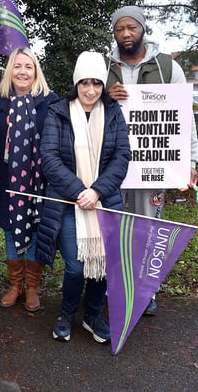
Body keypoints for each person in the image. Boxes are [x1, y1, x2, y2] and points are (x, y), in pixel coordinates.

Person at [106, 5, 198, 316]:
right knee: (114, 226)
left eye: (131, 27)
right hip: (112, 165)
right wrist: (107, 97)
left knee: (148, 227)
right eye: (120, 29)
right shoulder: (104, 67)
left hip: (153, 162)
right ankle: (114, 286)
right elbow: (84, 102)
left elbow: (185, 117)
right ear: (114, 33)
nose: (126, 33)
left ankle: (146, 290)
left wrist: (190, 161)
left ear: (143, 29)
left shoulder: (167, 67)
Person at [36, 51, 131, 344]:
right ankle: (66, 313)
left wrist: (97, 191)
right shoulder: (58, 111)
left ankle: (92, 314)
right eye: (84, 83)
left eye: (97, 84)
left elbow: (122, 156)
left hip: (104, 202)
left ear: (104, 85)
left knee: (102, 264)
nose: (91, 90)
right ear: (76, 82)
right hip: (67, 203)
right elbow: (49, 158)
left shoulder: (113, 112)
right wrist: (80, 191)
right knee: (77, 266)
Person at [0, 47, 59, 312]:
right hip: (6, 177)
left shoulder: (51, 103)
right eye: (17, 66)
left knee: (36, 227)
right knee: (10, 228)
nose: (22, 72)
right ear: (10, 71)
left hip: (39, 179)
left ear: (36, 71)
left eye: (28, 67)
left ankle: (33, 288)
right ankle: (15, 285)